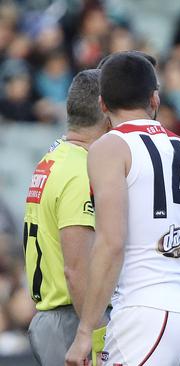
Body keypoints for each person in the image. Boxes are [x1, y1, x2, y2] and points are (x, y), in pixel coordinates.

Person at [65, 51, 180, 366]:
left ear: (102, 104)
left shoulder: (111, 148)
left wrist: (85, 330)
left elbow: (111, 243)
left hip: (145, 314)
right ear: (154, 99)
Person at [23, 69, 108, 366]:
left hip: (55, 316)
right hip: (73, 319)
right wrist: (94, 336)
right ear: (105, 110)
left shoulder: (53, 159)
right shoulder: (82, 170)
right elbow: (77, 268)